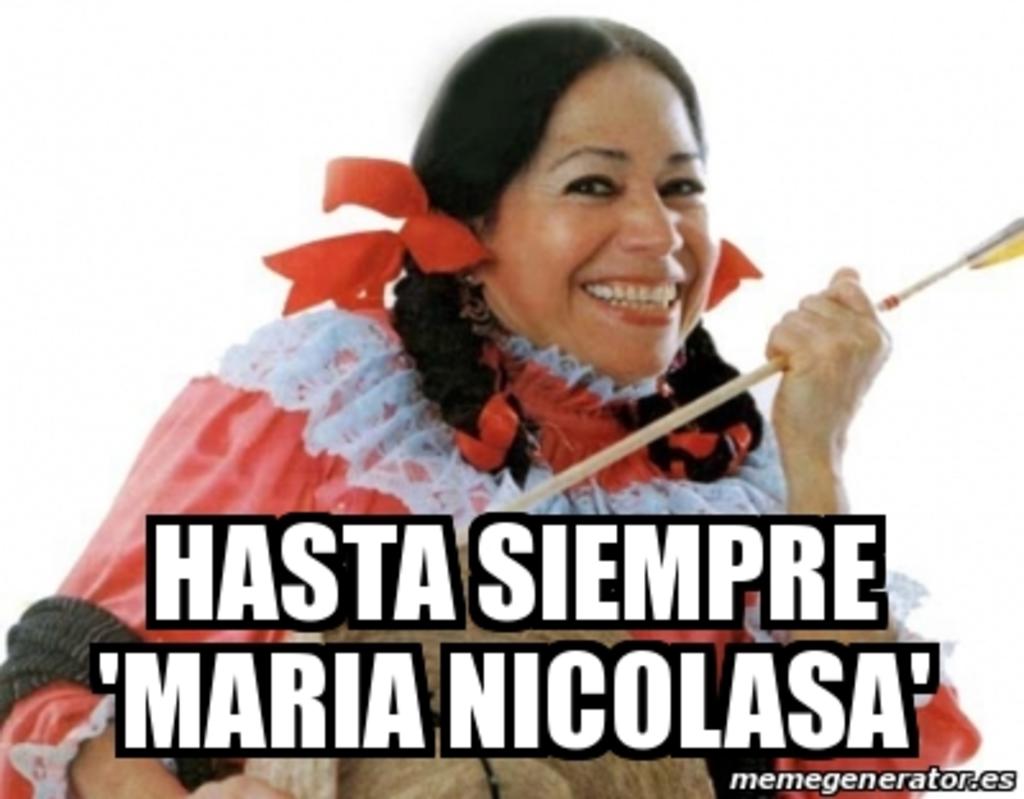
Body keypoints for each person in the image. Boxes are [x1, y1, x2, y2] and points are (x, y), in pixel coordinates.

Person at [0, 17, 979, 799]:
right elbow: (64, 668)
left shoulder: (735, 480)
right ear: (473, 224)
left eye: (681, 187)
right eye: (593, 184)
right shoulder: (328, 401)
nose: (658, 233)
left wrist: (816, 459)